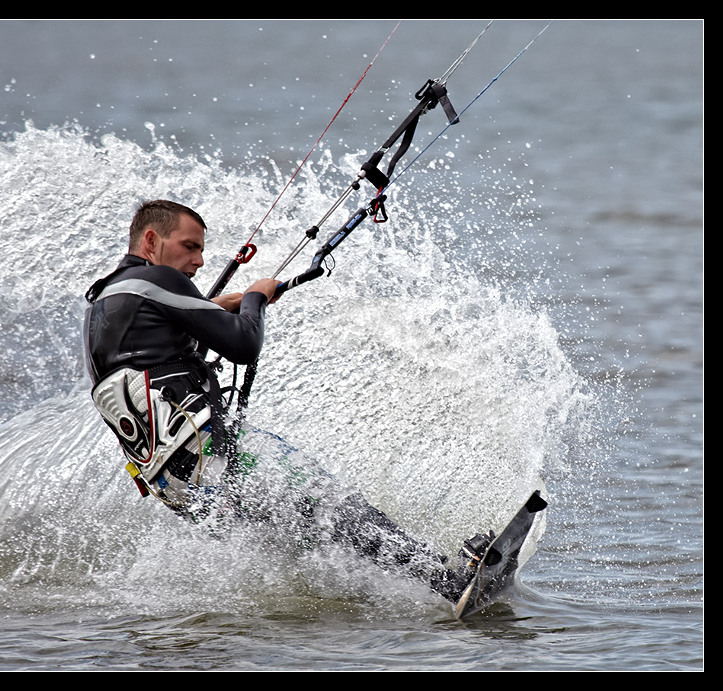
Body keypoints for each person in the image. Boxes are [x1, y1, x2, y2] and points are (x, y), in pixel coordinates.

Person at [83, 199, 487, 604]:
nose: (200, 261)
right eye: (190, 247)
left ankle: (415, 595)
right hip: (211, 455)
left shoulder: (104, 302)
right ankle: (447, 581)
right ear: (151, 240)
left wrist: (214, 307)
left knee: (311, 532)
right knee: (332, 505)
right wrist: (256, 298)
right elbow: (243, 345)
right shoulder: (160, 281)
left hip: (179, 487)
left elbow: (153, 356)